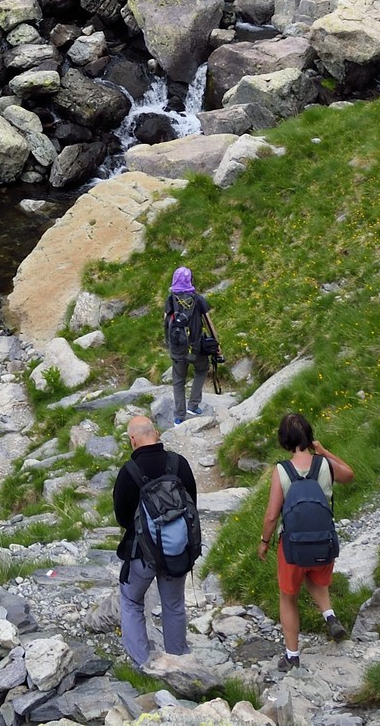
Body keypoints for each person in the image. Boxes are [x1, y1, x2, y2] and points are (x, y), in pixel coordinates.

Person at [258, 411, 353, 670]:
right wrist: (325, 452)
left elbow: (271, 514)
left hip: (292, 547)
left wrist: (264, 541)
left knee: (288, 597)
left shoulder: (282, 471)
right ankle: (330, 616)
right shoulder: (324, 465)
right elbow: (349, 474)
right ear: (310, 437)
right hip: (323, 542)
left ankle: (292, 655)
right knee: (315, 575)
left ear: (284, 440)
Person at [113, 412, 199, 673]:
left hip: (142, 554)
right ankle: (177, 661)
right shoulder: (178, 463)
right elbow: (192, 503)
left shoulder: (129, 472)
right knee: (173, 605)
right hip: (177, 550)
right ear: (156, 434)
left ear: (132, 441)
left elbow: (122, 516)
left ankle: (142, 664)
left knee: (130, 600)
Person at [163, 265, 217, 421]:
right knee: (202, 369)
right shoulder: (198, 299)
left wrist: (170, 343)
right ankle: (193, 406)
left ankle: (179, 416)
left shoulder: (170, 299)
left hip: (177, 348)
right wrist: (216, 344)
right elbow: (208, 323)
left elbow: (166, 321)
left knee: (178, 381)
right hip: (196, 347)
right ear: (190, 280)